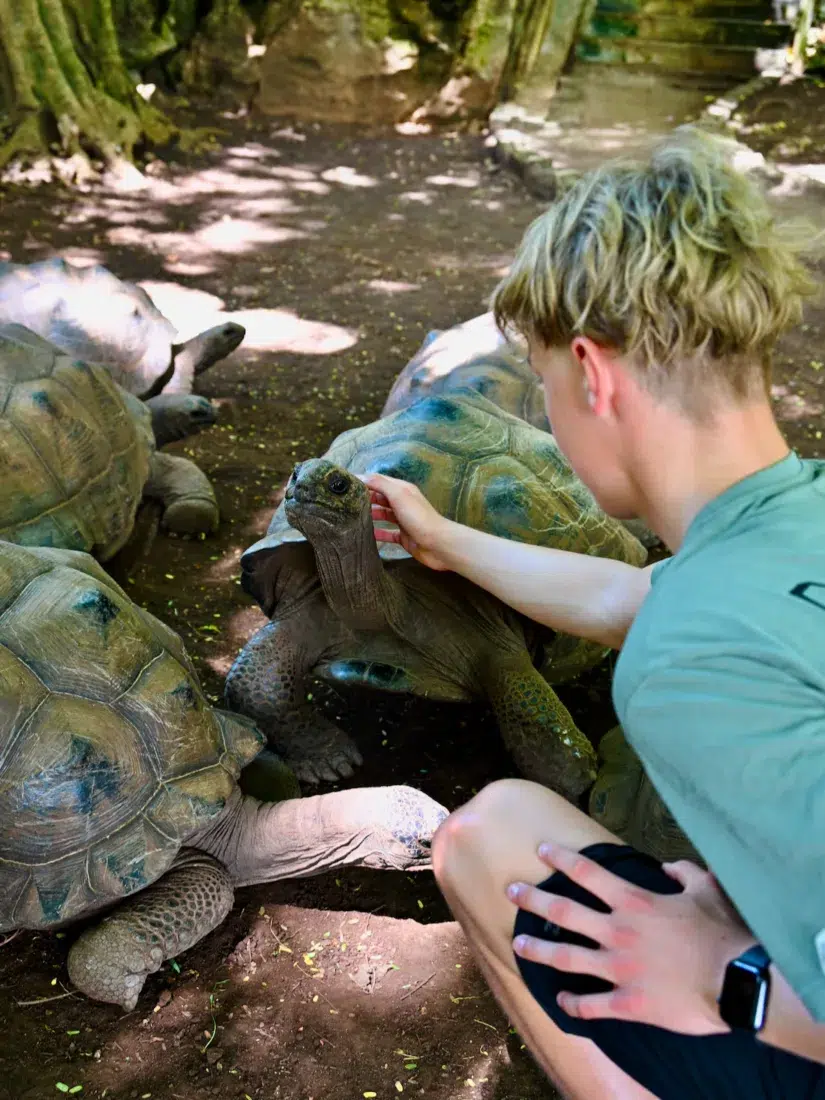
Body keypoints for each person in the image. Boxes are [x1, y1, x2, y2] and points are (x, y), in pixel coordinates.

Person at [363, 126, 825, 1098]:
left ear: (594, 372)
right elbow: (639, 596)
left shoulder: (689, 667)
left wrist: (728, 976)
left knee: (489, 841)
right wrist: (443, 541)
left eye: (543, 384)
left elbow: (679, 633)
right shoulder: (794, 517)